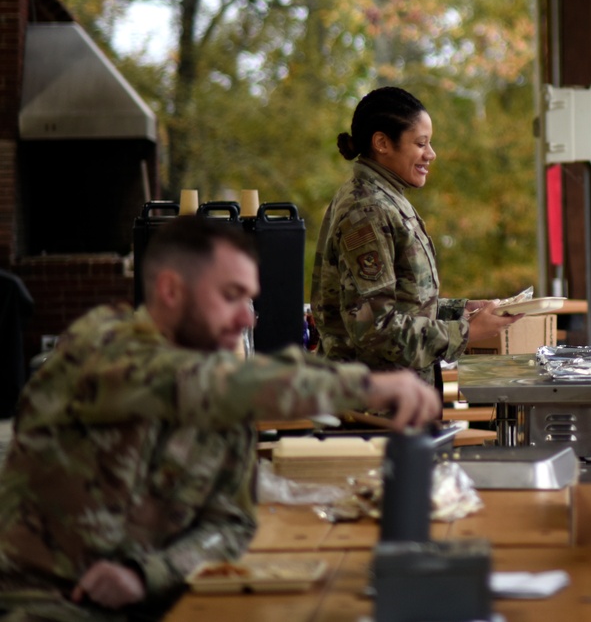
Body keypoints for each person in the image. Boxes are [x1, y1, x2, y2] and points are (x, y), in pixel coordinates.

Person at [0, 215, 440, 621]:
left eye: (250, 298)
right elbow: (204, 385)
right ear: (171, 290)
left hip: (157, 602)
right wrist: (368, 386)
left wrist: (144, 573)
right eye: (231, 295)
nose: (247, 317)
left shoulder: (223, 396)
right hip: (43, 603)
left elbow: (230, 524)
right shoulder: (102, 350)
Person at [311, 86, 520, 393]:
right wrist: (464, 332)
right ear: (382, 142)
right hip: (372, 414)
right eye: (420, 143)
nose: (431, 154)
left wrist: (459, 311)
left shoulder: (386, 198)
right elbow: (375, 329)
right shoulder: (367, 209)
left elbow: (402, 303)